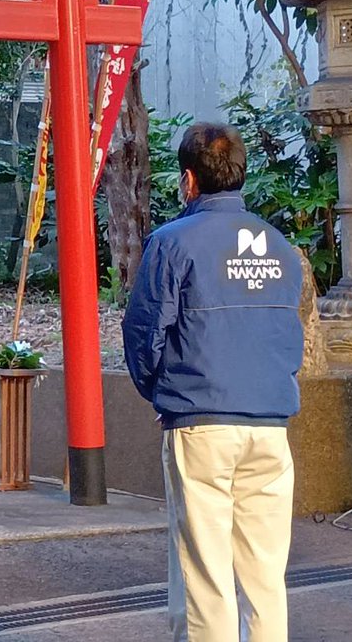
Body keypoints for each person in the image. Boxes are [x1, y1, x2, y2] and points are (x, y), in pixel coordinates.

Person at [122, 122, 304, 642]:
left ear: (188, 180)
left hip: (200, 418)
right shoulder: (279, 245)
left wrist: (161, 393)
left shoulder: (172, 243)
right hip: (270, 419)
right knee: (266, 577)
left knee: (205, 575)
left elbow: (144, 333)